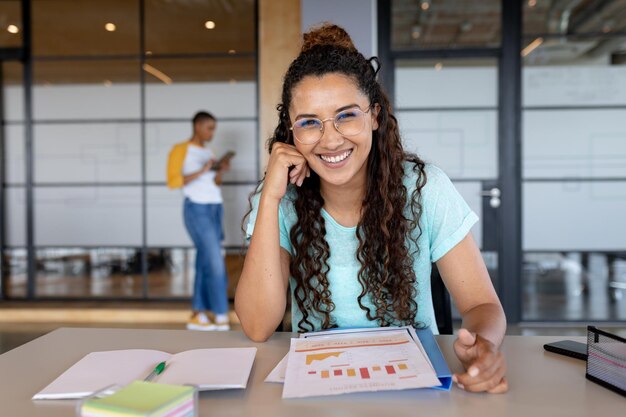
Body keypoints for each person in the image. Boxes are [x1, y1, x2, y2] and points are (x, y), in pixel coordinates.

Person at [235, 24, 507, 393]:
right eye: (310, 122)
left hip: (414, 387)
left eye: (346, 115)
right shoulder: (281, 198)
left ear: (375, 116)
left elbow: (481, 304)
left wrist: (484, 346)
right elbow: (257, 325)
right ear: (291, 132)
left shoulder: (424, 188)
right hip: (316, 387)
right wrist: (269, 197)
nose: (330, 138)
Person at [167, 111, 231, 331]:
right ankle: (221, 313)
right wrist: (202, 169)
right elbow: (173, 181)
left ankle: (198, 314)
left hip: (215, 207)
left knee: (206, 259)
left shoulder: (208, 151)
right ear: (197, 126)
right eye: (209, 128)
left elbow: (214, 183)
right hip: (196, 208)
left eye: (214, 128)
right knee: (214, 260)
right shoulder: (181, 150)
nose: (212, 132)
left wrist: (219, 171)